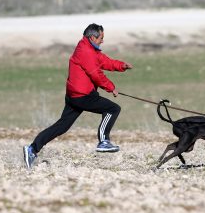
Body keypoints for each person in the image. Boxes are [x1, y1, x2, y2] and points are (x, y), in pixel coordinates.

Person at [23, 23, 133, 169]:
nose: (102, 41)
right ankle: (103, 141)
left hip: (74, 95)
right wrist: (111, 88)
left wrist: (121, 66)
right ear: (93, 37)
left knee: (62, 126)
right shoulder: (86, 52)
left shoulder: (89, 48)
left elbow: (104, 61)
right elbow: (96, 74)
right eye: (101, 38)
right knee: (113, 109)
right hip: (82, 96)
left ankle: (32, 149)